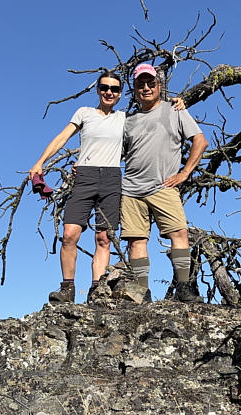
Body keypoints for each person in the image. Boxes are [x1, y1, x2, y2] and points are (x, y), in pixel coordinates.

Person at [29, 70, 185, 304]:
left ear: (121, 93)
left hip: (112, 178)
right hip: (85, 176)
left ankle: (96, 290)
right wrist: (40, 162)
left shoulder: (124, 118)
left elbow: (151, 112)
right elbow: (63, 137)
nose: (109, 92)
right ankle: (67, 288)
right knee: (70, 234)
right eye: (104, 88)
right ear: (98, 90)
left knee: (104, 238)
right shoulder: (85, 113)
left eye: (114, 89)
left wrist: (176, 101)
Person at [120, 63, 208, 303]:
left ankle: (184, 288)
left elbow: (199, 141)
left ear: (159, 86)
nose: (146, 88)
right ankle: (142, 293)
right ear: (135, 89)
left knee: (179, 233)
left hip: (164, 186)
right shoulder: (128, 121)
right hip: (131, 189)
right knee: (137, 240)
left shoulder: (175, 110)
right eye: (141, 84)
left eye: (151, 83)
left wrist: (185, 172)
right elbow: (115, 152)